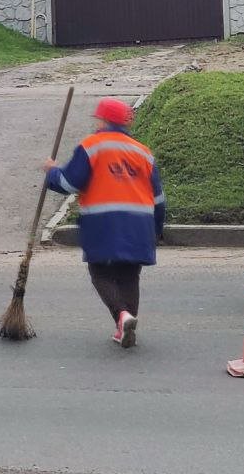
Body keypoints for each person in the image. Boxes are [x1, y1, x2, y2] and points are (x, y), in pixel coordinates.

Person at [43, 97, 164, 349]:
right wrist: (157, 229)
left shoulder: (92, 146)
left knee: (100, 272)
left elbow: (68, 184)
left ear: (104, 119)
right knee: (130, 275)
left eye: (97, 118)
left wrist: (52, 172)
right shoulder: (143, 152)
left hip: (104, 222)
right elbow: (159, 198)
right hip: (139, 224)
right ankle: (126, 327)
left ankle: (122, 316)